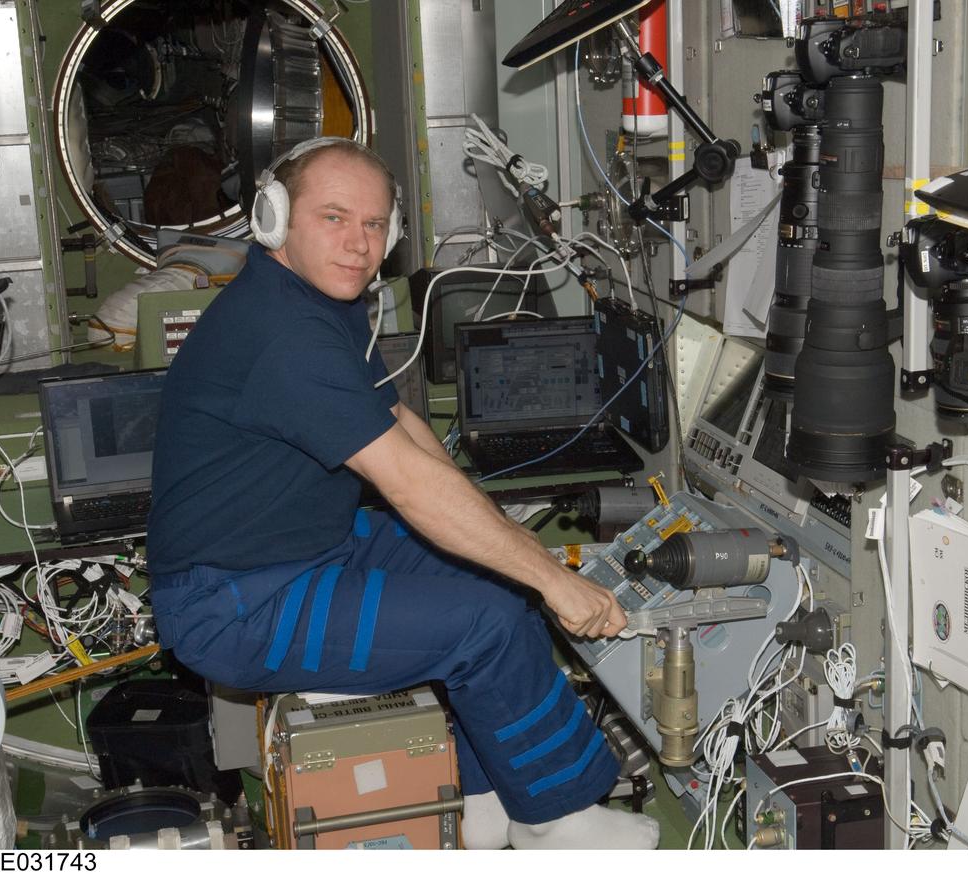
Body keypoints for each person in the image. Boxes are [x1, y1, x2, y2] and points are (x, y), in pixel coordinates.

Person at [146, 137, 660, 850]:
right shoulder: (283, 334)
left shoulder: (313, 296)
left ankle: (487, 803)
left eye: (374, 225)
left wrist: (492, 530)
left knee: (495, 580)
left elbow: (396, 420)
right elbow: (407, 484)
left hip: (303, 549)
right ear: (274, 218)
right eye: (334, 218)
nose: (358, 244)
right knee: (487, 622)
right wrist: (552, 580)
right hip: (236, 601)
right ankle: (558, 822)